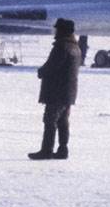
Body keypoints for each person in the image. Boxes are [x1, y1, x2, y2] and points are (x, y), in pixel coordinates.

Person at [29, 18, 82, 161]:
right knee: (62, 121)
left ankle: (46, 150)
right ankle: (62, 149)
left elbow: (53, 65)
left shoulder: (61, 46)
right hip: (68, 91)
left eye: (57, 29)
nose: (55, 31)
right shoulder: (76, 47)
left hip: (56, 91)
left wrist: (41, 72)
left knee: (50, 120)